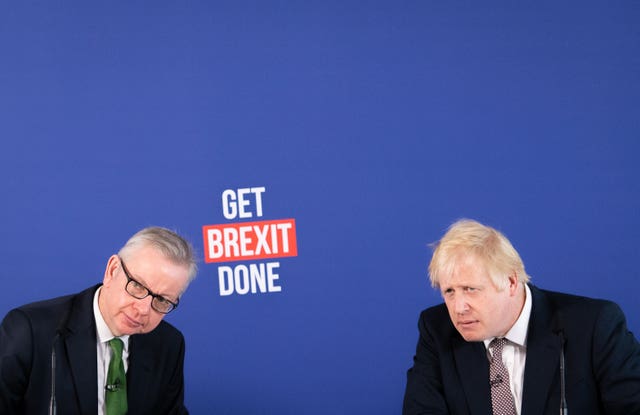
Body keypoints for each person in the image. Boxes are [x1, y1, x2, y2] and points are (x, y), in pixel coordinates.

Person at [403, 219, 640, 415]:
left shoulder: (594, 325)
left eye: (470, 289)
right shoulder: (436, 330)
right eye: (449, 292)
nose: (458, 308)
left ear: (511, 282)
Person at [0, 226, 198, 415]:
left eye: (162, 300)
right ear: (112, 271)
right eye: (137, 286)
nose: (143, 309)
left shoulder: (168, 344)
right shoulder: (30, 331)